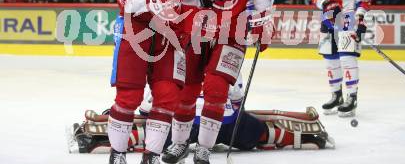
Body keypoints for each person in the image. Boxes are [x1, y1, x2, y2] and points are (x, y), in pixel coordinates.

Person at [162, 0, 274, 164]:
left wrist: (262, 21)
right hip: (195, 29)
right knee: (186, 90)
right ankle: (179, 144)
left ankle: (204, 148)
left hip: (232, 31)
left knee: (216, 89)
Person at [108, 0, 202, 164]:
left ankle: (151, 156)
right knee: (129, 96)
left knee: (168, 96)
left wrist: (193, 15)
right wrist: (153, 0)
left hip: (169, 34)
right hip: (135, 30)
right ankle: (117, 155)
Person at [68, 81, 333, 155]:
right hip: (224, 124)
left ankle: (97, 140)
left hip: (179, 124)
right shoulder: (226, 50)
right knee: (256, 130)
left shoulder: (171, 55)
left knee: (153, 131)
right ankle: (305, 136)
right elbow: (238, 99)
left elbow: (149, 109)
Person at [310, 0, 370, 117]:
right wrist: (326, 4)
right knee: (329, 57)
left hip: (348, 16)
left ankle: (351, 97)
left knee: (346, 57)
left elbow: (363, 0)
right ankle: (336, 94)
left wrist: (359, 20)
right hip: (329, 16)